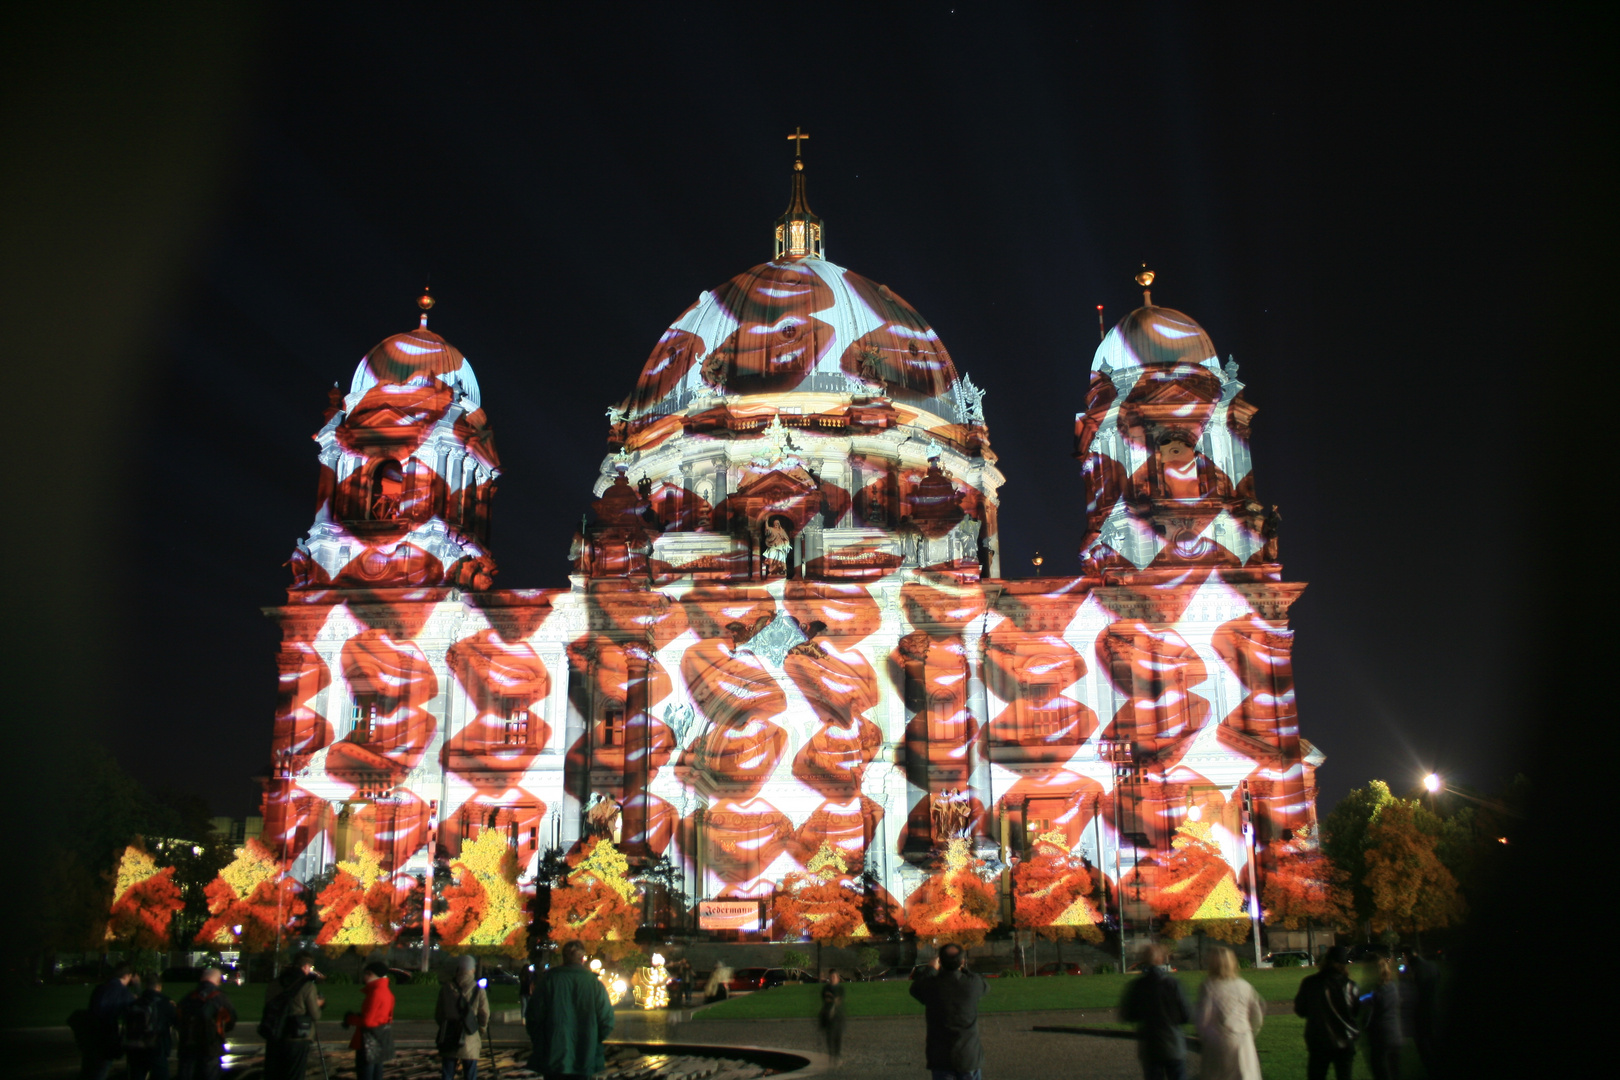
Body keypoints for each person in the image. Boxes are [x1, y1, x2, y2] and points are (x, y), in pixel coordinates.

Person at [525, 941, 614, 1080]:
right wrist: (593, 1040)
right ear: (582, 959)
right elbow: (606, 1020)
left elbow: (533, 1015)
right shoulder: (594, 984)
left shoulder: (549, 981)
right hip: (584, 1055)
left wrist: (540, 1041)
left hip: (553, 1055)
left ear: (563, 957)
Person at [908, 944, 990, 1080]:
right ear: (962, 961)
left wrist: (931, 969)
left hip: (941, 1056)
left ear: (940, 961)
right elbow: (984, 985)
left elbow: (915, 989)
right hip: (968, 1054)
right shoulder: (972, 984)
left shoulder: (931, 985)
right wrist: (963, 968)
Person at [1118, 944, 1192, 1080]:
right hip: (1172, 1042)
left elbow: (1128, 1014)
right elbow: (1185, 1015)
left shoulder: (1138, 986)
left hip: (1150, 1045)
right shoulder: (1172, 984)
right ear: (1161, 960)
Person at [1192, 947, 1264, 1080]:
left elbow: (1203, 1018)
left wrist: (1204, 1036)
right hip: (1243, 1038)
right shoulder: (1244, 985)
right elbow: (1256, 1015)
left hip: (1220, 1040)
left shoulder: (1209, 986)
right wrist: (1251, 1031)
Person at [1293, 946, 1359, 1080]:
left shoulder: (1310, 983)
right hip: (1346, 1038)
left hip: (1318, 1039)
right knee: (1345, 1075)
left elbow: (1300, 1010)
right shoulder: (1351, 986)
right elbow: (1356, 1011)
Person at [263, 952, 324, 1080]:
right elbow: (315, 1015)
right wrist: (318, 1004)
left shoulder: (276, 983)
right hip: (297, 1036)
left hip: (275, 1033)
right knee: (295, 1075)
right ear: (306, 967)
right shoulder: (307, 986)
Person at [176, 968, 237, 1080]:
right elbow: (230, 1021)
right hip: (210, 1047)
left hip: (188, 1046)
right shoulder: (220, 998)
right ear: (218, 980)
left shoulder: (188, 998)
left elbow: (177, 1019)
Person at [436, 954, 491, 1080]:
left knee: (447, 1073)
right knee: (470, 1073)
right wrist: (481, 1029)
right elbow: (485, 1014)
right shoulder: (478, 989)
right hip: (469, 1034)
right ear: (472, 969)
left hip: (449, 1035)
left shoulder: (446, 988)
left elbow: (439, 1013)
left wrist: (445, 1026)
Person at [80, 964, 136, 1080]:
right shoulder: (122, 991)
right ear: (127, 976)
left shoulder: (101, 988)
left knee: (88, 1068)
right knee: (101, 1069)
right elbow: (134, 1010)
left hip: (90, 1032)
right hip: (106, 1034)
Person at [343, 962, 396, 1080]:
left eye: (366, 974)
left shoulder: (376, 993)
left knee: (365, 1072)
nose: (364, 977)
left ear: (371, 974)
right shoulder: (387, 992)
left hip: (367, 1040)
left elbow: (368, 1021)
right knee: (377, 1071)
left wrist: (351, 1019)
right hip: (380, 1038)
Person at [126, 972, 180, 1080]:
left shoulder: (136, 1001)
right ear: (159, 986)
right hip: (157, 1046)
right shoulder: (165, 1002)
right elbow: (177, 1022)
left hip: (135, 1047)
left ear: (146, 985)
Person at [1360, 956, 1403, 1080]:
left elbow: (1360, 1002)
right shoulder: (1393, 987)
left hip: (1381, 1039)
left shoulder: (1375, 993)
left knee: (1382, 1073)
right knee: (1395, 1073)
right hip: (1395, 1036)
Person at [1399, 947, 1439, 1077]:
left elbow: (1409, 991)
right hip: (1433, 1008)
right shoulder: (1432, 966)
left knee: (1423, 1044)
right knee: (1433, 1041)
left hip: (1419, 1011)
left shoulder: (1413, 969)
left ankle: (1431, 1070)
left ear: (1407, 956)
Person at [818, 970, 846, 1064]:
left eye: (834, 977)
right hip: (828, 1017)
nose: (832, 979)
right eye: (831, 977)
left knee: (838, 1037)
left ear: (838, 978)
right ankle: (831, 1054)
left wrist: (832, 998)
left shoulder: (840, 989)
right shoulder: (826, 988)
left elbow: (838, 1000)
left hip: (837, 1016)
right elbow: (825, 999)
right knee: (829, 1037)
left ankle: (837, 1054)